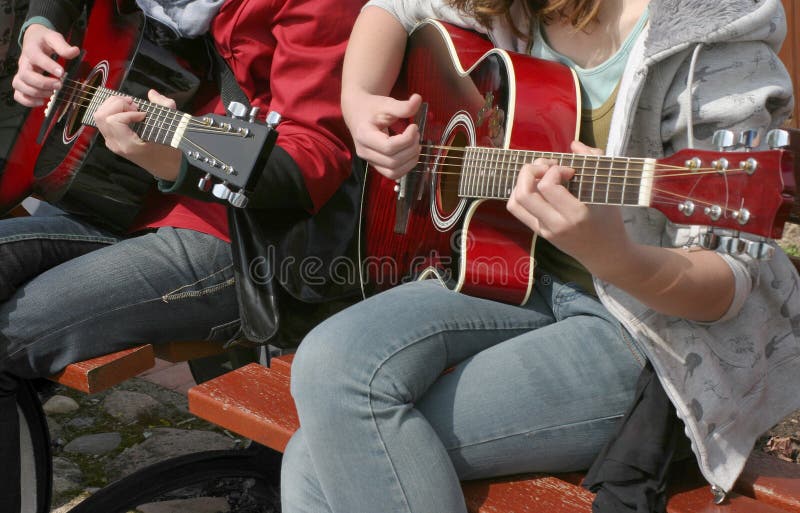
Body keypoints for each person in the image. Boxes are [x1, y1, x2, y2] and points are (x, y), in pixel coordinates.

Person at [280, 0, 800, 512]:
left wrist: (616, 257)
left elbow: (729, 286)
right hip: (506, 269)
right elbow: (391, 9)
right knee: (328, 367)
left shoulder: (714, 42)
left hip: (643, 331)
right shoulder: (510, 6)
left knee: (318, 451)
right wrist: (359, 100)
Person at [1, 0, 364, 510]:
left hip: (235, 241)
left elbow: (316, 159)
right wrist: (39, 28)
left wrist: (174, 152)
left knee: (8, 336)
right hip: (122, 197)